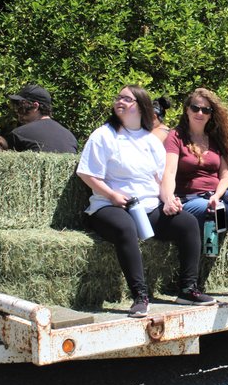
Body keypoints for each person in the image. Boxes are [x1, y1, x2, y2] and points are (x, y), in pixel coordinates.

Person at [77, 85, 215, 318]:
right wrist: (112, 195)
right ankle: (140, 296)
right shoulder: (104, 134)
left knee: (188, 223)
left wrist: (169, 200)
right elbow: (86, 173)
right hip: (109, 206)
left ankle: (188, 289)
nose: (119, 101)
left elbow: (162, 179)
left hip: (148, 207)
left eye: (126, 99)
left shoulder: (150, 141)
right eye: (118, 97)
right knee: (125, 227)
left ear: (141, 107)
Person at [162, 88, 228, 298]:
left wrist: (217, 195)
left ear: (212, 113)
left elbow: (226, 176)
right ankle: (217, 275)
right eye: (195, 108)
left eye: (206, 110)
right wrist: (167, 198)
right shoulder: (175, 137)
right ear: (186, 110)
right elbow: (169, 171)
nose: (200, 113)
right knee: (217, 214)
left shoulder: (216, 139)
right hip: (190, 199)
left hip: (216, 195)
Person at [7, 84, 78, 153]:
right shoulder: (70, 137)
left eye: (20, 106)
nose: (17, 111)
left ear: (35, 106)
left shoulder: (19, 134)